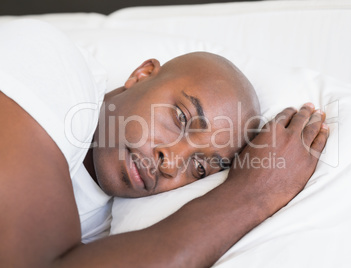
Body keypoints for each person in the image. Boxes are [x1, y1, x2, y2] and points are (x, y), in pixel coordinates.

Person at [0, 20, 328, 267]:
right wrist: (253, 195)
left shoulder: (111, 224)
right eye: (181, 118)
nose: (170, 163)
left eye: (199, 167)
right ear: (142, 74)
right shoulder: (51, 64)